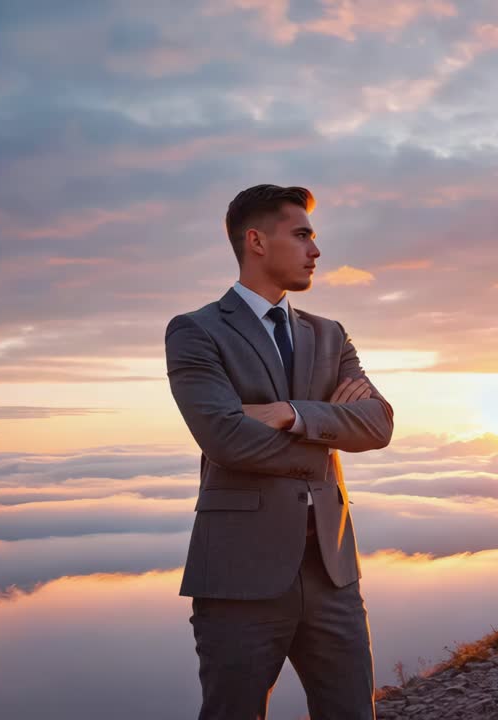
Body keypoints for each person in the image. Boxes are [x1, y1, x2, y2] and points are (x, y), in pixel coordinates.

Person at [164, 183, 395, 719]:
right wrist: (331, 426)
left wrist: (292, 413)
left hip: (332, 574)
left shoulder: (331, 335)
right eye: (303, 235)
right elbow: (224, 439)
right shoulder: (196, 332)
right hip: (238, 579)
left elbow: (379, 424)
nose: (316, 250)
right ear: (257, 242)